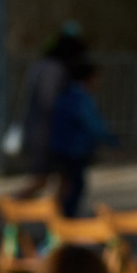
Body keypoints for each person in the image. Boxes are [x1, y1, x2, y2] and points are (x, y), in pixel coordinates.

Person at [13, 25, 86, 193]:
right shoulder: (55, 69)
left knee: (61, 180)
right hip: (47, 133)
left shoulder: (40, 66)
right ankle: (7, 205)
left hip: (40, 129)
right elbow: (49, 100)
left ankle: (57, 210)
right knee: (43, 179)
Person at [45, 57, 113, 217]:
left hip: (60, 146)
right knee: (74, 186)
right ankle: (66, 222)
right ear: (89, 77)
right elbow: (93, 125)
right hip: (73, 149)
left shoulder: (65, 94)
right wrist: (112, 141)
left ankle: (58, 220)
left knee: (65, 185)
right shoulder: (80, 98)